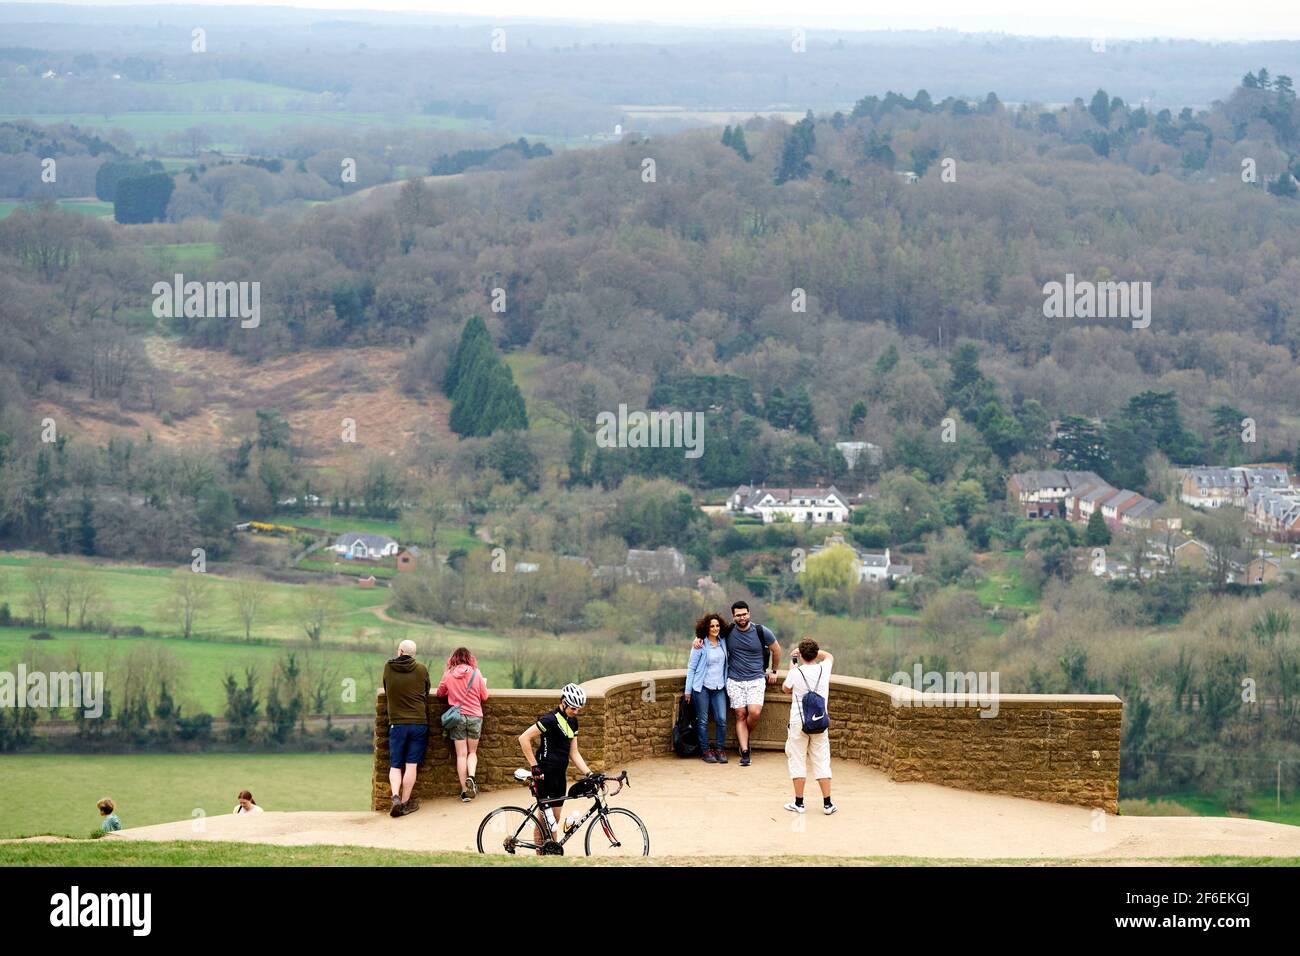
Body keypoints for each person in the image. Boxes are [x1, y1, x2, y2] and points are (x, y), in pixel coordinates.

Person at [694, 601, 779, 766]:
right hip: (734, 680)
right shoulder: (729, 631)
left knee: (754, 713)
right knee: (740, 714)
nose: (742, 617)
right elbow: (711, 632)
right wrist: (698, 639)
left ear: (749, 613)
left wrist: (774, 671)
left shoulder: (762, 631)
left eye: (744, 614)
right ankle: (745, 751)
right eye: (738, 615)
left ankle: (744, 737)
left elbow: (776, 649)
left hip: (756, 678)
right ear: (733, 616)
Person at [518, 683, 593, 851]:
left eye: (579, 709)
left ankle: (550, 852)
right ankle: (544, 856)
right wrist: (534, 766)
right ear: (563, 702)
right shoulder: (549, 719)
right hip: (544, 774)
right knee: (546, 821)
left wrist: (589, 773)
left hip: (560, 776)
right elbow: (524, 738)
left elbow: (574, 752)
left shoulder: (573, 722)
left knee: (555, 819)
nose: (576, 712)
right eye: (573, 708)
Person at [782, 639, 836, 816]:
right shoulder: (824, 668)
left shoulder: (796, 672)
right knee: (822, 759)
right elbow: (828, 656)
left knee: (797, 759)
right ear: (815, 653)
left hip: (799, 722)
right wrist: (813, 652)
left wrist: (793, 662)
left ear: (801, 655)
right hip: (820, 722)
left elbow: (786, 689)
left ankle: (799, 802)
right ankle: (827, 804)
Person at [383, 638, 431, 818]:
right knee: (411, 765)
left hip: (397, 723)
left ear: (400, 651)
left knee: (396, 764)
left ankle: (395, 796)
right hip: (419, 722)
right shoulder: (421, 669)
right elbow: (426, 692)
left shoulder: (388, 667)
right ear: (413, 654)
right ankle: (404, 803)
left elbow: (387, 690)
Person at [436, 646, 490, 803]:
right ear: (469, 658)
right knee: (472, 752)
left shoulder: (448, 674)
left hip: (457, 718)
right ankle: (471, 777)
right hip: (475, 716)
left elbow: (440, 693)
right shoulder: (476, 673)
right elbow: (484, 696)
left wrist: (451, 687)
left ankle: (465, 792)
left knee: (461, 755)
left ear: (453, 659)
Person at [684, 612, 729, 763]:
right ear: (706, 628)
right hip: (701, 687)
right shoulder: (700, 644)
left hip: (719, 687)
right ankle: (705, 751)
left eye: (717, 625)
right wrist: (688, 690)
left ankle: (720, 749)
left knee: (721, 719)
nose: (715, 628)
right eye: (712, 626)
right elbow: (691, 668)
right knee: (702, 721)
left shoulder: (723, 641)